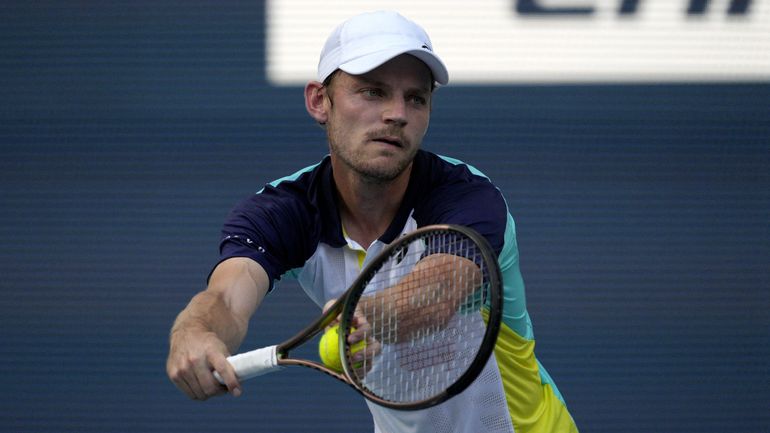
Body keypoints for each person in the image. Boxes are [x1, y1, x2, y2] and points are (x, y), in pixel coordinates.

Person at [166, 10, 578, 433]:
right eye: (372, 92)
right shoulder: (281, 212)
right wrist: (197, 333)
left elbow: (442, 288)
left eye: (416, 98)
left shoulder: (468, 198)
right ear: (319, 101)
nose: (397, 113)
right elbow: (229, 297)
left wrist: (370, 314)